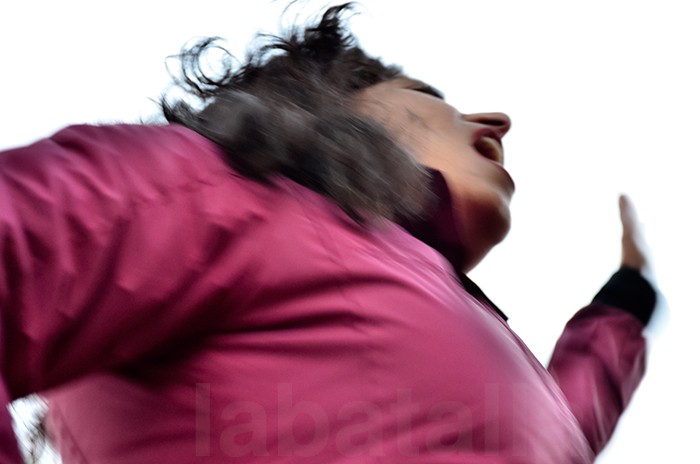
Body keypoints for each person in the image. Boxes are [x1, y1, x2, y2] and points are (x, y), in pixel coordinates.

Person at [0, 3, 656, 463]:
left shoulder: (474, 340)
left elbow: (559, 426)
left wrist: (624, 302)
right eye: (429, 95)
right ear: (327, 102)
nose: (495, 120)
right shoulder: (231, 194)